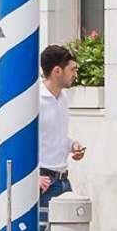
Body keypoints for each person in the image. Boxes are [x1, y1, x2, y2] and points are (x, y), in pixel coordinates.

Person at [34, 43, 85, 205]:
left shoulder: (63, 98)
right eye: (72, 69)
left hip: (63, 181)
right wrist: (32, 178)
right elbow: (20, 142)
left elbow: (53, 134)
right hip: (44, 183)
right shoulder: (35, 101)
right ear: (57, 71)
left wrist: (73, 145)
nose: (75, 74)